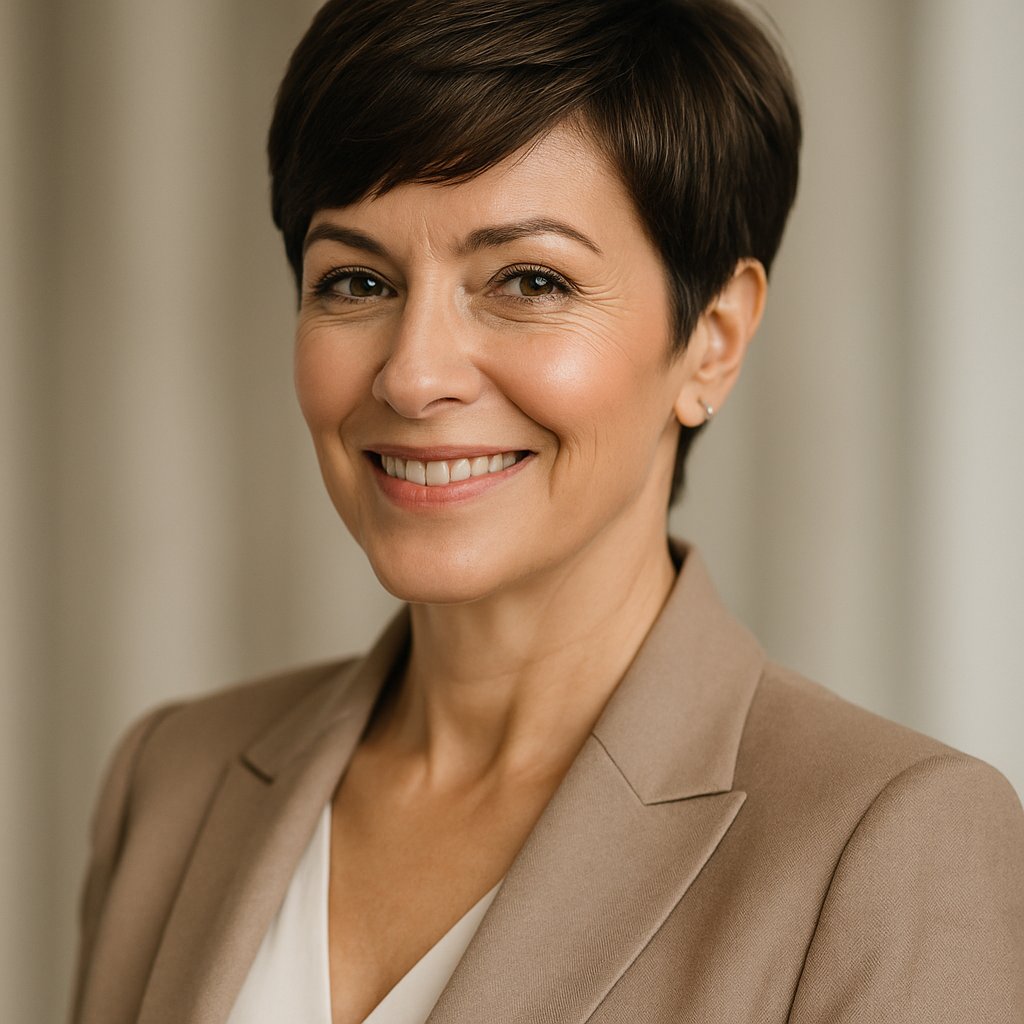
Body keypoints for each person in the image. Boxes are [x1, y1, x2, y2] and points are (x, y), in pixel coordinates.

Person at [69, 0, 1024, 1022]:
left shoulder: (886, 842)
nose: (413, 373)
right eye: (355, 279)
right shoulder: (173, 777)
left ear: (712, 337)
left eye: (527, 279)